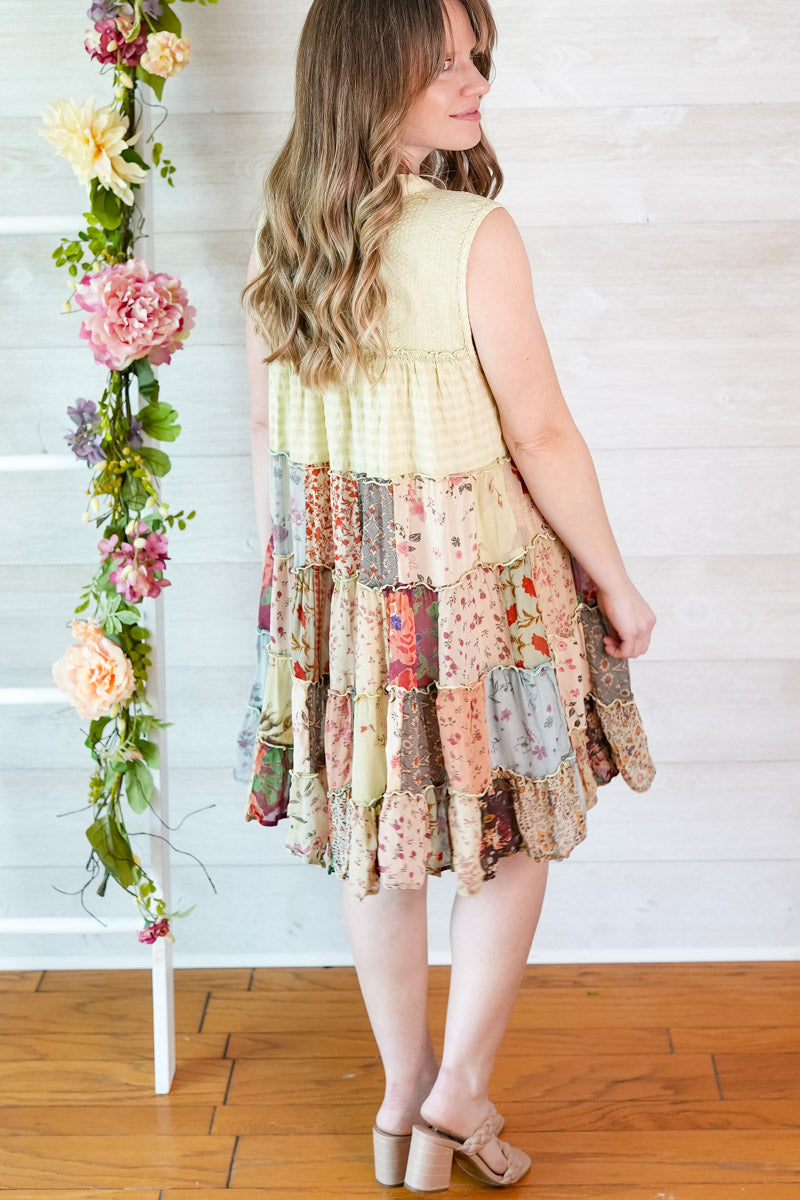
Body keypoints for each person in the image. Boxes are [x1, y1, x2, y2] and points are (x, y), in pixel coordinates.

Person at [234, 0, 657, 1189]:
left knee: (387, 847)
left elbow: (272, 439)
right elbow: (542, 434)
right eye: (445, 62)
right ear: (369, 78)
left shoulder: (283, 239)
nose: (474, 82)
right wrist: (617, 584)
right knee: (510, 835)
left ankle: (401, 1099)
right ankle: (456, 1100)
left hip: (357, 620)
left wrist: (297, 618)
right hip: (489, 613)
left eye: (477, 57)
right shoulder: (472, 231)